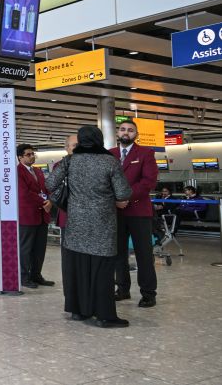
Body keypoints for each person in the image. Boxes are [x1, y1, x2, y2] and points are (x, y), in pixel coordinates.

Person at [47, 126, 132, 328]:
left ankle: (78, 311)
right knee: (102, 269)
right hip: (102, 222)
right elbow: (123, 193)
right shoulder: (109, 161)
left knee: (79, 266)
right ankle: (104, 316)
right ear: (99, 139)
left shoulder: (70, 161)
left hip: (76, 221)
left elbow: (50, 183)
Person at [109, 119, 159, 308]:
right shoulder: (110, 154)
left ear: (135, 134)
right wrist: (115, 200)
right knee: (118, 253)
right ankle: (122, 289)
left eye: (130, 130)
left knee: (143, 254)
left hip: (138, 211)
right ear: (118, 132)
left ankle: (148, 293)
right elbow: (105, 181)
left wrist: (126, 198)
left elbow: (148, 182)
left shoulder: (146, 153)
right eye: (123, 129)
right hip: (116, 212)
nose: (126, 132)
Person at [17, 143, 54, 289]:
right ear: (20, 157)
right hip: (27, 215)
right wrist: (44, 201)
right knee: (26, 248)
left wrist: (50, 201)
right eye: (28, 154)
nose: (32, 156)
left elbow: (47, 188)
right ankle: (24, 277)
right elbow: (24, 193)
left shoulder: (38, 171)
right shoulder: (17, 172)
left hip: (42, 215)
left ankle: (36, 275)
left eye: (33, 154)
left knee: (40, 248)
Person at [53, 134, 79, 233]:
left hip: (89, 217)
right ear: (67, 148)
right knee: (67, 247)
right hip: (68, 214)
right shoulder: (59, 166)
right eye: (75, 145)